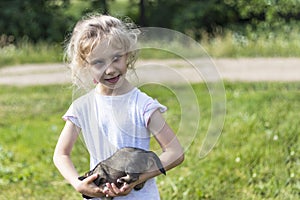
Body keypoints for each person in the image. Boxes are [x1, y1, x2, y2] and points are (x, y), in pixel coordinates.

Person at [53, 14, 184, 199]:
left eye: (116, 58)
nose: (110, 69)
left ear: (127, 55)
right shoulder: (82, 107)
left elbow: (175, 152)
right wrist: (79, 184)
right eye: (99, 62)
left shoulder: (142, 105)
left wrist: (138, 179)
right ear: (86, 65)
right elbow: (61, 154)